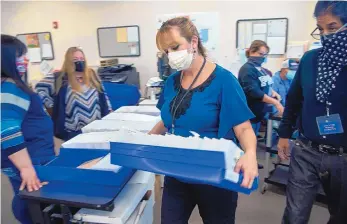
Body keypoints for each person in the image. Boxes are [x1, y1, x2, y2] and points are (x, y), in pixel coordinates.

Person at [150, 17, 258, 224]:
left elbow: (243, 128)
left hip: (214, 177)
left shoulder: (224, 80)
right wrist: (142, 144)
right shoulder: (172, 82)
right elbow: (167, 120)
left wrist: (251, 153)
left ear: (193, 42)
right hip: (177, 174)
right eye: (166, 51)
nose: (171, 55)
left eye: (175, 47)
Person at [277, 1, 347, 223]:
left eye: (333, 27)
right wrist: (284, 134)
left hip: (343, 156)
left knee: (340, 214)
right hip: (306, 150)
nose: (326, 34)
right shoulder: (310, 60)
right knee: (295, 214)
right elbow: (294, 100)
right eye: (321, 28)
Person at [1, 34, 56, 224]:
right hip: (31, 162)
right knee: (35, 210)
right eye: (19, 55)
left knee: (30, 204)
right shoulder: (10, 86)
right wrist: (25, 168)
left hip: (25, 161)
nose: (25, 59)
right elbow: (6, 128)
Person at [35, 47, 112, 141]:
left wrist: (110, 113)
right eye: (75, 59)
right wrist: (51, 105)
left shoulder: (91, 74)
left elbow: (103, 94)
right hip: (73, 132)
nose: (79, 62)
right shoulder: (60, 77)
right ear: (68, 61)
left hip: (96, 129)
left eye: (82, 59)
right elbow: (39, 88)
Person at [238, 40, 284, 136]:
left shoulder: (261, 69)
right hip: (249, 114)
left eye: (265, 55)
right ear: (251, 52)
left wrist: (273, 92)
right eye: (261, 54)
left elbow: (265, 84)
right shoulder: (247, 69)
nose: (263, 57)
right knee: (247, 142)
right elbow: (254, 91)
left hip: (259, 113)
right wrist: (275, 102)